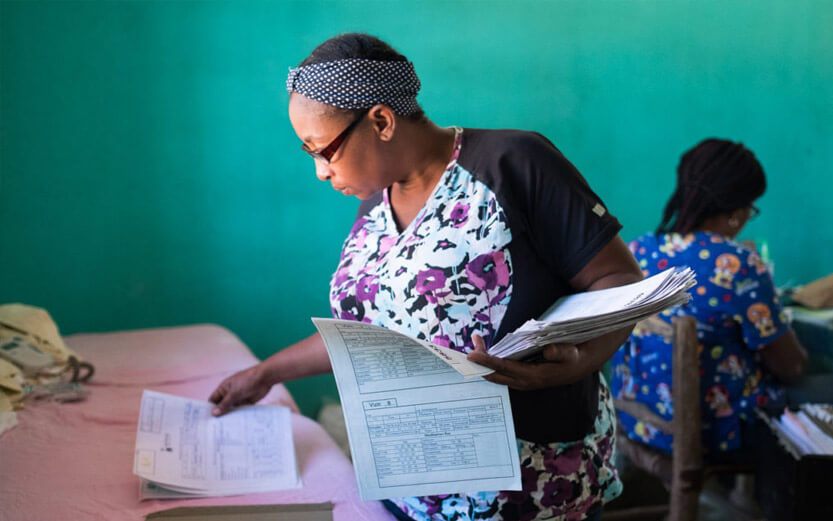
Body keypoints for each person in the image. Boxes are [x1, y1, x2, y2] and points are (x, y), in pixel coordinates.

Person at [210, 33, 643, 520]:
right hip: (417, 486)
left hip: (531, 487)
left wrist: (579, 361)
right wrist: (265, 373)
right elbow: (372, 335)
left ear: (380, 120)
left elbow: (620, 281)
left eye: (322, 149)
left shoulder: (513, 165)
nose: (319, 171)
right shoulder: (377, 201)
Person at [610, 138, 808, 463]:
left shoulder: (635, 251)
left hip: (639, 421)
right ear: (737, 211)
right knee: (816, 380)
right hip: (714, 431)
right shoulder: (739, 264)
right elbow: (790, 366)